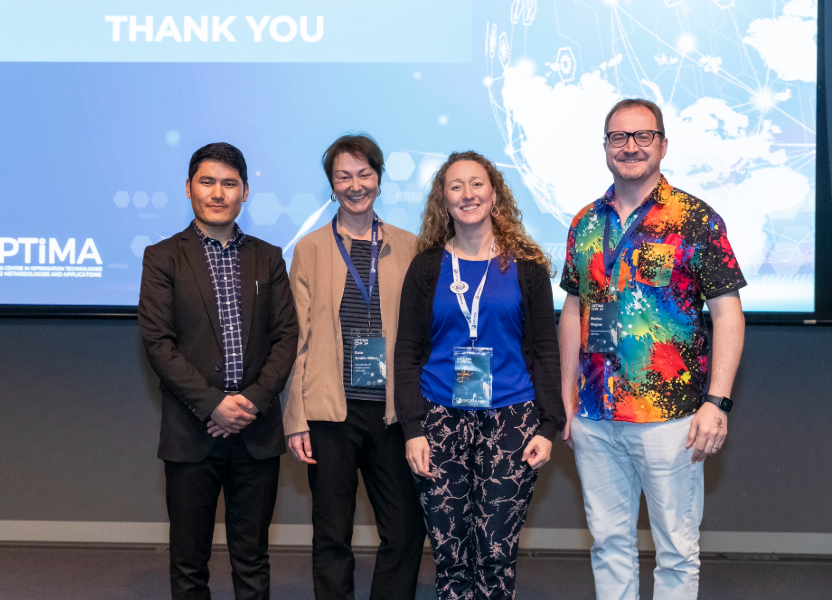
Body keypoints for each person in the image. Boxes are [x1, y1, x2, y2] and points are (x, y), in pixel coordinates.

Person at [558, 99, 746, 600]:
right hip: (596, 414)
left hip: (671, 418)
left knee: (677, 552)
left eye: (643, 136)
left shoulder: (694, 218)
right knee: (609, 544)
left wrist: (717, 402)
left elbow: (728, 312)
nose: (631, 147)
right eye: (619, 137)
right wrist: (567, 398)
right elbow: (573, 309)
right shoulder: (584, 223)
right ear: (605, 148)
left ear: (662, 144)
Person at [395, 150, 565, 600]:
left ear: (494, 195)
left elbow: (547, 352)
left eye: (476, 184)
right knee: (449, 554)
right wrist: (413, 428)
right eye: (456, 186)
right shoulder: (426, 267)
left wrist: (549, 426)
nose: (467, 194)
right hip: (438, 418)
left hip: (512, 419)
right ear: (443, 201)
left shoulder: (526, 266)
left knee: (495, 551)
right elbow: (407, 353)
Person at [138, 142, 299, 600]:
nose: (217, 192)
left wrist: (250, 402)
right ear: (189, 188)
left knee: (252, 560)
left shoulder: (268, 257)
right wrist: (214, 405)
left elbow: (286, 336)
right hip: (192, 432)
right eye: (207, 182)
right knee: (189, 564)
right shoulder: (163, 256)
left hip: (255, 431)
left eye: (229, 183)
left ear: (245, 192)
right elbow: (158, 342)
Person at [282, 134, 426, 600]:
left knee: (405, 532)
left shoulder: (412, 247)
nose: (355, 184)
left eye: (364, 174)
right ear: (331, 184)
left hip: (392, 414)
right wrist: (295, 418)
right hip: (329, 415)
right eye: (343, 175)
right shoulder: (309, 249)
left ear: (380, 180)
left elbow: (425, 335)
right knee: (331, 537)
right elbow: (296, 341)